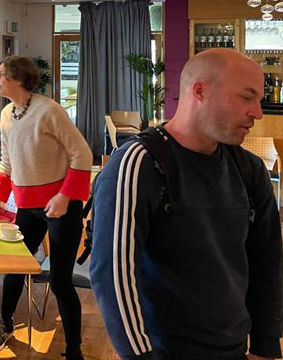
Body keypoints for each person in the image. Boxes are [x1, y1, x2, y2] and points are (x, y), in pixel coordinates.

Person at [90, 49, 283, 360]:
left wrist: (266, 345)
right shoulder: (141, 163)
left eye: (258, 100)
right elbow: (113, 275)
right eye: (246, 98)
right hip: (165, 350)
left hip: (235, 347)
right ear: (200, 91)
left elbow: (267, 262)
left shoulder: (249, 169)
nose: (258, 113)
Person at [0, 56, 92, 359]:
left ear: (18, 78)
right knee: (14, 268)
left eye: (0, 75)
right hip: (27, 207)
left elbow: (82, 154)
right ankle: (5, 323)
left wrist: (65, 196)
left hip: (62, 208)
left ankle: (74, 348)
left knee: (61, 281)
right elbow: (8, 163)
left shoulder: (49, 110)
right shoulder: (6, 115)